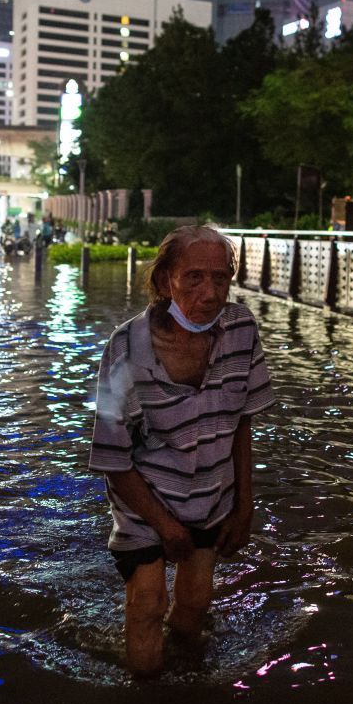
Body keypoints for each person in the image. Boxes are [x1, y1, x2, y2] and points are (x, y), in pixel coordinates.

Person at [89, 225, 274, 677]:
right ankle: (147, 703)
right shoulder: (125, 349)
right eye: (193, 277)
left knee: (193, 608)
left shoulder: (240, 330)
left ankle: (188, 686)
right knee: (148, 604)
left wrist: (244, 505)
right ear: (164, 281)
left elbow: (242, 421)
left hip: (210, 494)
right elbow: (113, 458)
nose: (209, 292)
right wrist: (164, 526)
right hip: (144, 499)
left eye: (220, 278)